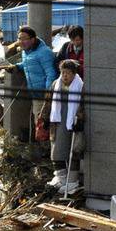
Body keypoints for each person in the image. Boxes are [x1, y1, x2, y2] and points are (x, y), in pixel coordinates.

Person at [40, 60, 84, 193]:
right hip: (58, 121)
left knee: (73, 151)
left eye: (68, 73)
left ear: (74, 74)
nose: (65, 76)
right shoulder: (56, 84)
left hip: (73, 122)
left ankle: (72, 180)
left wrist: (80, 121)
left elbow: (83, 106)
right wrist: (45, 118)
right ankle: (61, 177)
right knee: (57, 150)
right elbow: (48, 101)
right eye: (63, 72)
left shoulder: (81, 86)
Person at [14, 26, 57, 131]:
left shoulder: (44, 52)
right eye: (19, 39)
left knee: (45, 125)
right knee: (39, 124)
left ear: (33, 39)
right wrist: (16, 66)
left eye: (24, 39)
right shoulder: (26, 51)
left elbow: (51, 74)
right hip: (35, 95)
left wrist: (48, 93)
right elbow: (28, 63)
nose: (21, 41)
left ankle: (47, 146)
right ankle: (43, 145)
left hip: (44, 96)